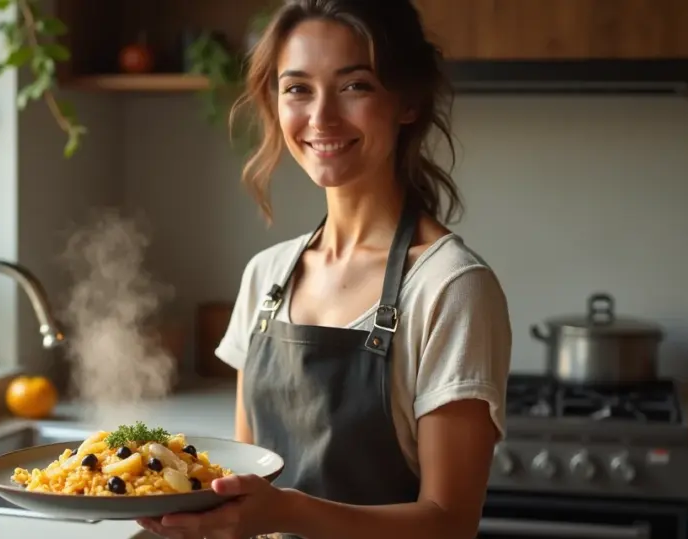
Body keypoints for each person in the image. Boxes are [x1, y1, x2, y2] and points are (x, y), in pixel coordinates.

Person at [137, 1, 512, 537]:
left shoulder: (450, 287)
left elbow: (449, 524)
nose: (321, 118)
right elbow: (247, 476)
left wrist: (286, 513)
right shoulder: (266, 275)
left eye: (354, 85)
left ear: (406, 100)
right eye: (297, 89)